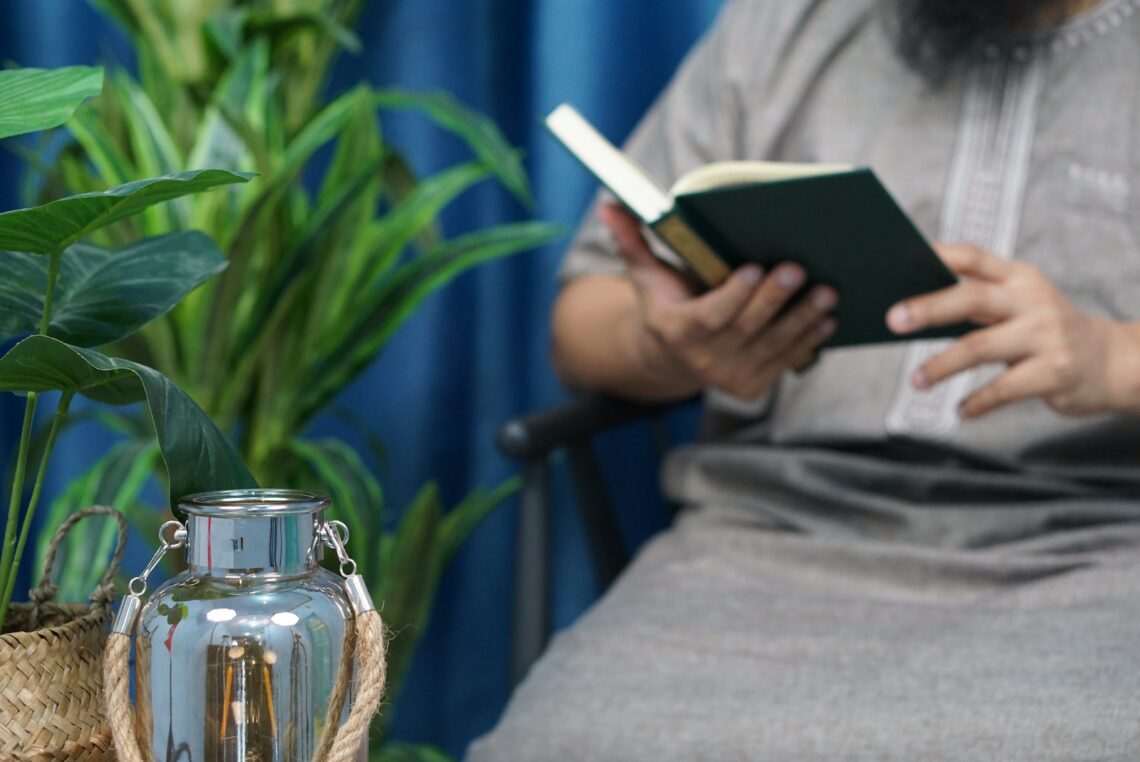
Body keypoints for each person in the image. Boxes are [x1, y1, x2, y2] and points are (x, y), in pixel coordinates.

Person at [469, 0, 1140, 758]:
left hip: (1099, 553)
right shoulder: (781, 27)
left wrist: (1115, 358)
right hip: (763, 543)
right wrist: (669, 344)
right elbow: (579, 329)